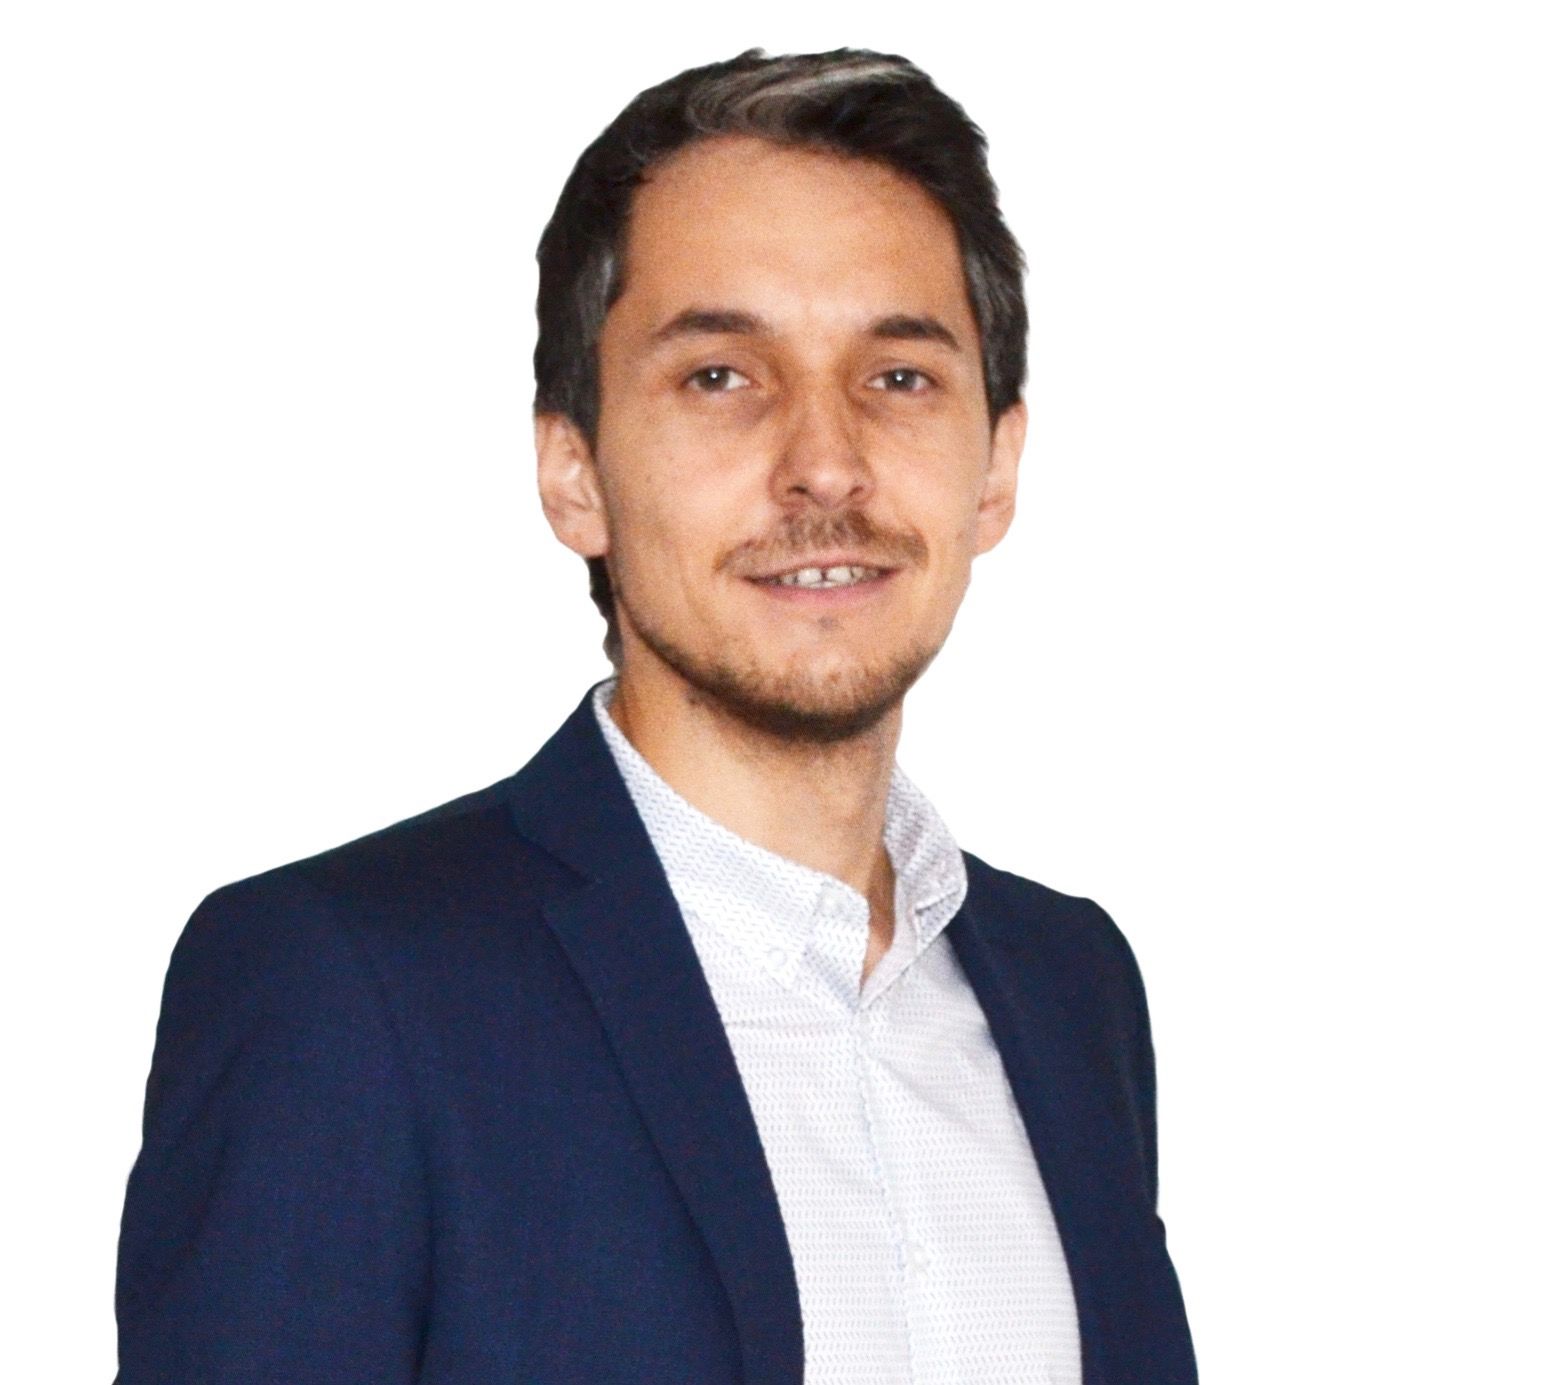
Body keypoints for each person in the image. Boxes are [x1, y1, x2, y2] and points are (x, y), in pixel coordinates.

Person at [114, 47, 1197, 1385]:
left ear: (996, 470)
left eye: (898, 377)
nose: (825, 465)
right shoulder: (344, 987)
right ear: (573, 471)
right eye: (721, 376)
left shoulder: (1072, 988)